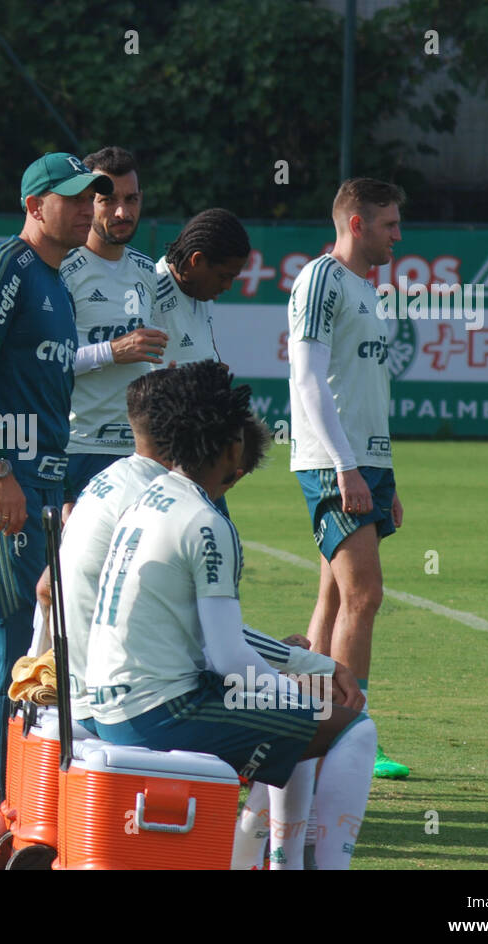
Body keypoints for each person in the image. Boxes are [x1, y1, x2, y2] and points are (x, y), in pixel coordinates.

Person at [84, 361, 376, 869]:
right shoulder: (203, 520)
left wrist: (316, 670)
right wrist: (302, 691)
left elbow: (213, 639)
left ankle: (258, 862)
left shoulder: (152, 495)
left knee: (292, 721)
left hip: (116, 702)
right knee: (353, 727)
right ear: (231, 445)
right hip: (158, 713)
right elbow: (227, 656)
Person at [0, 152, 112, 800]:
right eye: (71, 198)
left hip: (43, 483)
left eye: (88, 198)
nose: (85, 209)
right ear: (32, 205)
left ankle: (26, 791)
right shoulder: (5, 268)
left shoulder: (56, 281)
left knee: (43, 638)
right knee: (9, 636)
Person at [287, 177, 408, 779]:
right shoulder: (320, 279)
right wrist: (345, 466)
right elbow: (306, 378)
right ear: (356, 224)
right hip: (333, 464)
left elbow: (365, 391)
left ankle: (311, 725)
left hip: (366, 464)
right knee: (366, 595)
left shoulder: (366, 288)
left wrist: (386, 475)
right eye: (388, 224)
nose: (398, 235)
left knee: (335, 595)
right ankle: (350, 730)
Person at [59, 146, 166, 504]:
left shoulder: (146, 269)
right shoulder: (63, 269)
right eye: (108, 200)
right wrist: (112, 350)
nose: (123, 212)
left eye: (131, 199)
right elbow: (46, 362)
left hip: (137, 449)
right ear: (88, 202)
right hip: (78, 445)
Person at [153, 208, 251, 368]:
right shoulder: (149, 294)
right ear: (197, 260)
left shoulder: (201, 294)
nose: (227, 286)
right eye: (223, 276)